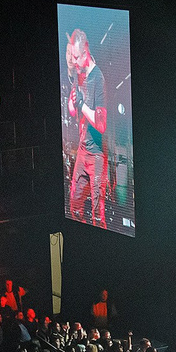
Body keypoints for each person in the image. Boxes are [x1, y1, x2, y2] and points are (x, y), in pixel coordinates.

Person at [63, 26, 112, 227]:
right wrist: (73, 102)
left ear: (85, 52)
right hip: (83, 151)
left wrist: (82, 105)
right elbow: (72, 109)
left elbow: (101, 124)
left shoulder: (98, 78)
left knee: (97, 216)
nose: (73, 61)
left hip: (97, 155)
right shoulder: (79, 74)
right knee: (74, 205)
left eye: (76, 57)